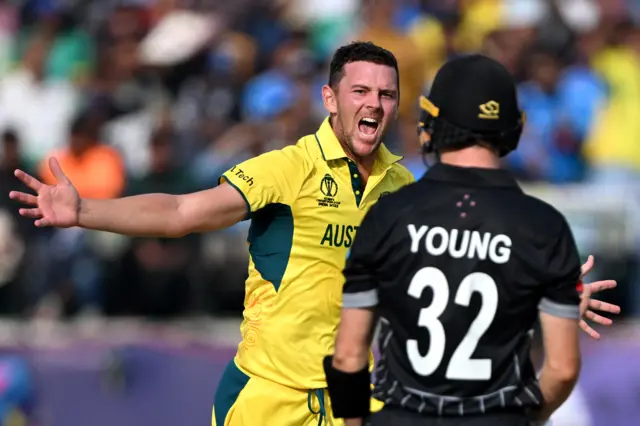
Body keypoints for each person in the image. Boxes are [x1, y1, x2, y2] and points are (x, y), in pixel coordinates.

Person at [9, 44, 616, 426]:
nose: (374, 104)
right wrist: (84, 209)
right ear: (330, 99)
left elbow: (469, 264)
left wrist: (552, 296)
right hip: (268, 399)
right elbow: (179, 212)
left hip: (360, 401)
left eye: (386, 93)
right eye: (360, 91)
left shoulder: (407, 185)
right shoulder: (286, 168)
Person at [323, 54, 621, 426]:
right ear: (514, 129)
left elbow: (347, 357)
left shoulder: (386, 216)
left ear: (431, 123)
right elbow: (561, 370)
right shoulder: (544, 227)